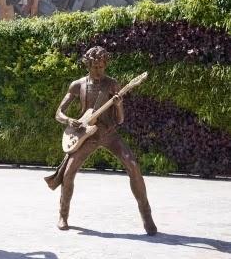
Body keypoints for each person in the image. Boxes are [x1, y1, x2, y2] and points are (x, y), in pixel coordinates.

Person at [44, 46, 157, 235]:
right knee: (68, 173)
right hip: (86, 135)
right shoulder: (77, 85)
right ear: (88, 64)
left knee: (133, 166)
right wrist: (70, 120)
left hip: (109, 134)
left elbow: (120, 120)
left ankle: (147, 217)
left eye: (101, 67)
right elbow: (58, 113)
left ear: (105, 65)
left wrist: (119, 105)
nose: (98, 71)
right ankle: (63, 215)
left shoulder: (112, 84)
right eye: (94, 67)